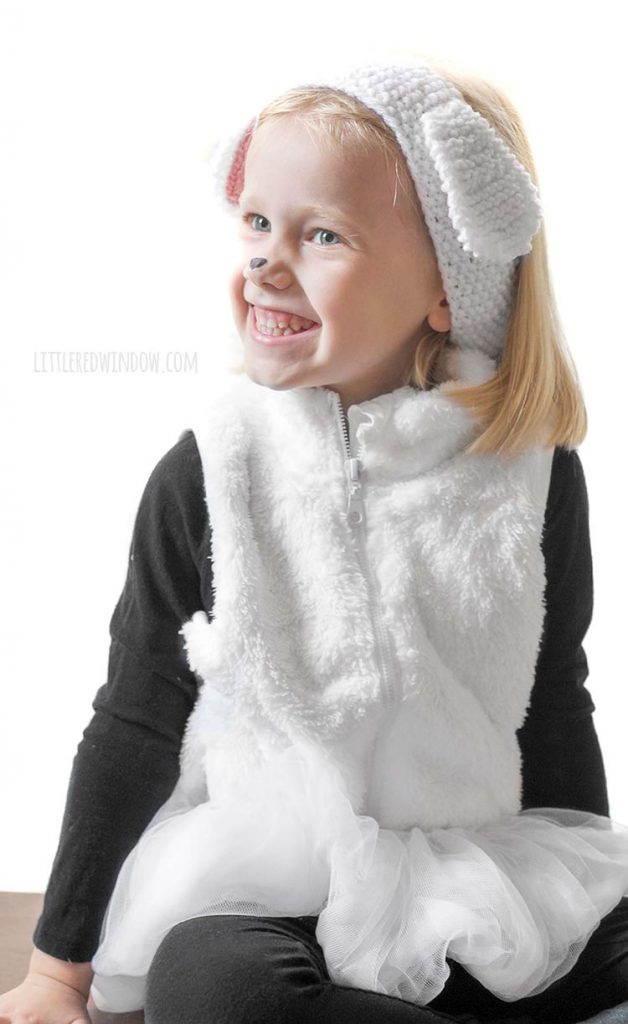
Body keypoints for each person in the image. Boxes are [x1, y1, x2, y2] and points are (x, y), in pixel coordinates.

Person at [2, 56, 628, 1024]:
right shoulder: (213, 469)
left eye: (321, 233)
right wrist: (57, 973)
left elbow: (552, 698)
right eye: (256, 222)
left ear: (447, 289)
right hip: (274, 895)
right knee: (221, 989)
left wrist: (583, 895)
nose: (263, 257)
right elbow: (135, 714)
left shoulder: (527, 472)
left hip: (474, 875)